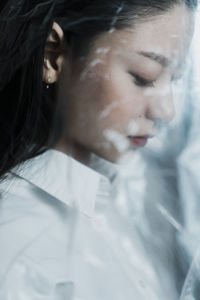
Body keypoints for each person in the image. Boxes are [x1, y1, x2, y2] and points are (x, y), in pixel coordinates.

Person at [0, 0, 197, 299]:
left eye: (176, 79)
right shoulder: (15, 241)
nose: (166, 110)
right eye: (143, 77)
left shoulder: (145, 209)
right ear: (53, 56)